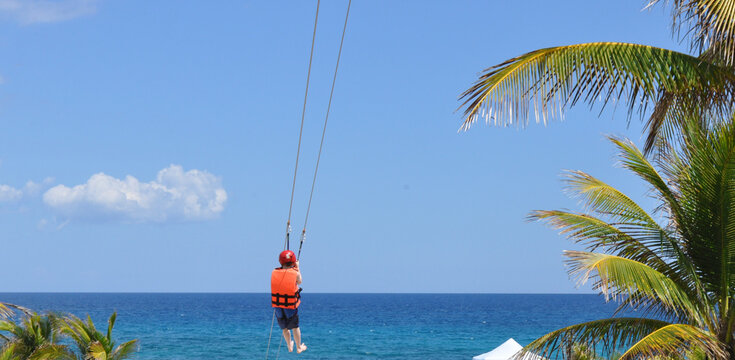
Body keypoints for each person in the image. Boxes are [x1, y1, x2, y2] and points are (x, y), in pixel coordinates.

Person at [271, 250, 307, 353]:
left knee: (284, 328)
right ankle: (298, 347)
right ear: (293, 262)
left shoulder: (274, 272)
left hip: (278, 306)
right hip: (290, 307)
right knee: (295, 328)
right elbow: (299, 281)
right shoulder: (295, 273)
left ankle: (289, 346)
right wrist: (298, 267)